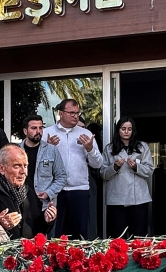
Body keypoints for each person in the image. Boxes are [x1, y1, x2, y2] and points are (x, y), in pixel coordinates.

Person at [44, 99, 104, 239]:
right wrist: (47, 148)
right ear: (61, 113)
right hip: (55, 191)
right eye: (71, 113)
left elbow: (98, 164)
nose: (75, 116)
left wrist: (90, 149)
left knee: (80, 235)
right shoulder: (47, 133)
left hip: (79, 190)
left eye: (77, 113)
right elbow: (39, 165)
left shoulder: (86, 134)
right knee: (56, 236)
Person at [0, 145, 57, 239]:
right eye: (17, 166)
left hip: (28, 248)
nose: (23, 172)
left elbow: (37, 229)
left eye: (25, 166)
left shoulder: (29, 192)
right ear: (1, 168)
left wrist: (46, 219)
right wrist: (1, 226)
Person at [100, 117, 153, 238]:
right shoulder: (109, 148)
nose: (126, 132)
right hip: (116, 198)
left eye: (129, 129)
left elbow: (149, 170)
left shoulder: (142, 147)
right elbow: (103, 173)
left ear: (133, 130)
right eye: (123, 128)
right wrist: (115, 167)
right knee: (117, 237)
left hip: (138, 198)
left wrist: (136, 167)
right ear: (118, 130)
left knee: (139, 237)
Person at [21, 114, 67, 212]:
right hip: (21, 204)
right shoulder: (16, 151)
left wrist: (49, 193)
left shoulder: (51, 150)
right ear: (25, 131)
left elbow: (61, 176)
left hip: (45, 206)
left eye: (41, 128)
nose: (38, 131)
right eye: (34, 128)